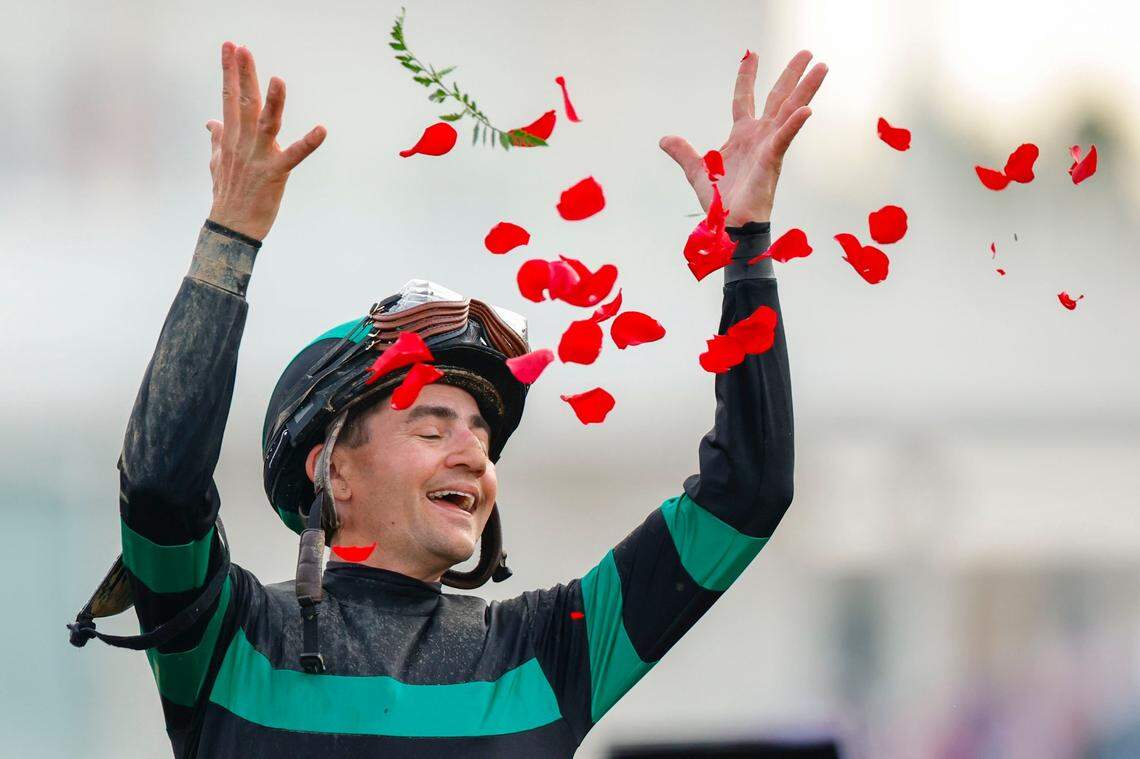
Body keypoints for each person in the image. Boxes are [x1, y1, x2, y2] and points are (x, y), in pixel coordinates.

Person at [69, 39, 826, 758]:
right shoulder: (227, 638)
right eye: (433, 429)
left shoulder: (550, 650)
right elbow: (162, 487)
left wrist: (745, 242)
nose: (473, 451)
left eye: (482, 437)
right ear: (332, 472)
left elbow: (747, 493)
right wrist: (230, 237)